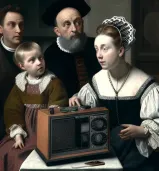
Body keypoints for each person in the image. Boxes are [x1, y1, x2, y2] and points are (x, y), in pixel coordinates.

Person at [69, 16, 159, 171]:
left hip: (138, 154)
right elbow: (86, 111)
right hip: (107, 150)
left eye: (105, 48)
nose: (99, 55)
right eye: (96, 49)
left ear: (121, 50)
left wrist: (142, 131)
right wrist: (76, 99)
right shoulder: (97, 80)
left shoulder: (146, 84)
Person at [0, 42, 68, 171]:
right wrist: (18, 134)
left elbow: (58, 104)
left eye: (40, 58)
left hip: (45, 129)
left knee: (35, 157)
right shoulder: (20, 84)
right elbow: (12, 110)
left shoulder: (53, 82)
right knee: (8, 152)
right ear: (22, 66)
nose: (39, 62)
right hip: (26, 130)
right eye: (32, 60)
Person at [42, 0, 101, 98]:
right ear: (57, 31)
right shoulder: (50, 54)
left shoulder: (98, 45)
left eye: (78, 22)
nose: (74, 29)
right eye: (67, 24)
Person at [0, 4, 24, 140]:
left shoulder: (32, 53)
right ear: (1, 29)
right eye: (12, 25)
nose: (18, 30)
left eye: (21, 25)